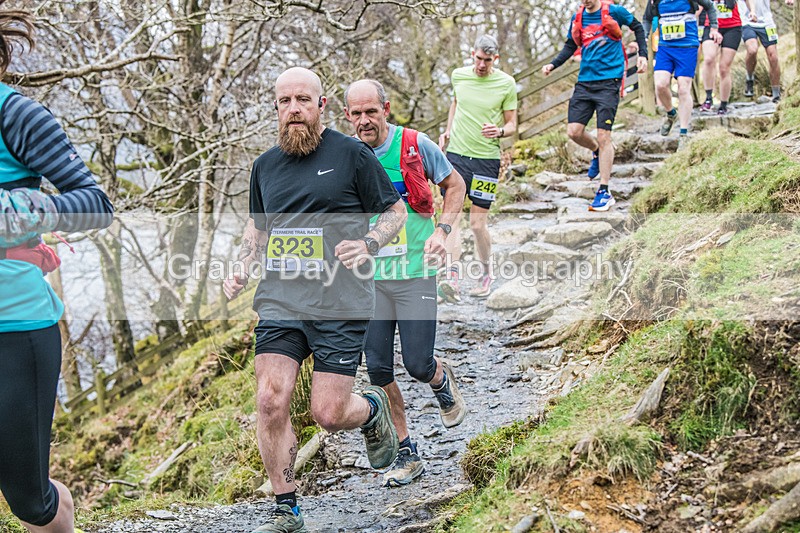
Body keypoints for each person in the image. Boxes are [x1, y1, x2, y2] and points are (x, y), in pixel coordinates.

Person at [223, 67, 407, 533]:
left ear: (321, 105)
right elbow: (259, 228)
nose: (294, 110)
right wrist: (243, 263)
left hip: (341, 302)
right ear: (277, 109)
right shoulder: (264, 166)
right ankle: (286, 508)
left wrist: (369, 243)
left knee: (328, 414)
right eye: (285, 102)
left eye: (303, 100)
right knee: (269, 400)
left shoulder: (352, 155)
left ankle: (371, 409)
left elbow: (394, 210)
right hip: (282, 300)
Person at [0, 7, 114, 533]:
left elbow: (95, 203)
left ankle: (57, 511)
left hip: (14, 328)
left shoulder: (16, 115)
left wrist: (25, 209)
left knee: (30, 502)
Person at [344, 79, 468, 487]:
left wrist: (442, 232)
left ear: (386, 108)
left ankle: (439, 378)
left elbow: (454, 185)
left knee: (416, 364)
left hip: (416, 271)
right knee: (378, 369)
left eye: (371, 111)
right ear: (347, 116)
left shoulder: (415, 144)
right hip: (370, 281)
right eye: (356, 113)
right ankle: (406, 450)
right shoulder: (346, 158)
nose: (365, 120)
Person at [543, 0, 649, 212]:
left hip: (609, 81)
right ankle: (595, 152)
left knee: (604, 137)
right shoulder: (578, 17)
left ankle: (604, 191)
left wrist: (643, 56)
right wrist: (553, 64)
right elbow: (570, 45)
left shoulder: (614, 11)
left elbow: (637, 26)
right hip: (585, 82)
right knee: (574, 132)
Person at [437, 35, 517, 301]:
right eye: (478, 59)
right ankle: (452, 278)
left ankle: (485, 273)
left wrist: (501, 130)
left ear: (495, 59)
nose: (482, 65)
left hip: (487, 160)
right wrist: (448, 130)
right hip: (456, 156)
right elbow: (456, 103)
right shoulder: (459, 76)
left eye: (488, 60)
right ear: (473, 54)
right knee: (452, 218)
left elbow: (513, 125)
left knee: (477, 223)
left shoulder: (506, 83)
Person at [643, 0, 721, 145]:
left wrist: (714, 28)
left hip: (687, 46)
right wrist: (645, 35)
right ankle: (671, 113)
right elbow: (647, 18)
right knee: (660, 85)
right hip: (665, 47)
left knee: (683, 88)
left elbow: (710, 6)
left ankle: (683, 134)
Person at [699, 0, 756, 115]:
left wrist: (752, 11)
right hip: (711, 26)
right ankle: (708, 97)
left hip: (732, 27)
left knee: (724, 67)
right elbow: (698, 6)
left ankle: (723, 104)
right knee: (709, 59)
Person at [742, 0, 795, 102]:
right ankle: (749, 78)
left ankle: (776, 94)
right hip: (747, 22)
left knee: (773, 57)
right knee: (752, 50)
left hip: (767, 23)